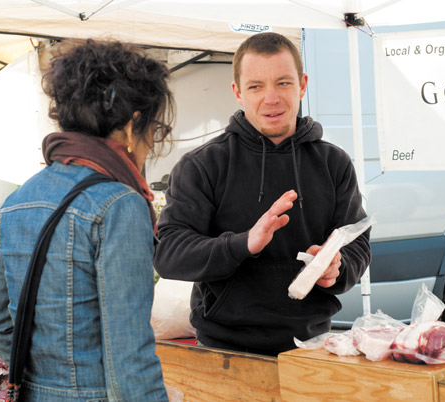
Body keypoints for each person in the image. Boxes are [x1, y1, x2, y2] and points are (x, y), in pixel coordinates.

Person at [0, 39, 174, 401]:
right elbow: (130, 362)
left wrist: (47, 380)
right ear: (132, 126)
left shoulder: (19, 200)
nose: (152, 142)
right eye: (154, 128)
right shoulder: (120, 204)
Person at [153, 32, 371, 357]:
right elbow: (169, 254)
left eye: (283, 83)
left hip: (312, 349)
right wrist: (244, 243)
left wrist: (336, 268)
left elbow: (357, 244)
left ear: (302, 85)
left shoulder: (333, 163)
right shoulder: (203, 165)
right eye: (256, 86)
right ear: (238, 92)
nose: (271, 98)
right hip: (224, 351)